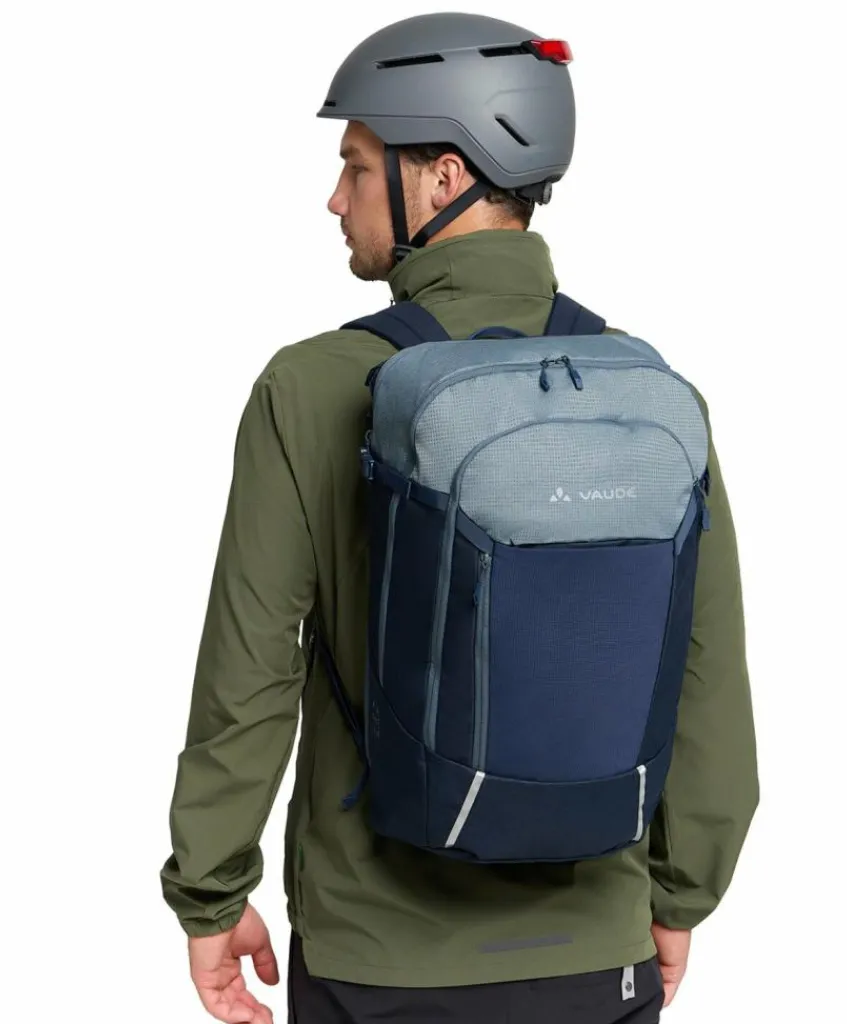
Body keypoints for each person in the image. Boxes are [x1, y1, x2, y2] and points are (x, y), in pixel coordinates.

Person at [160, 12, 759, 1024]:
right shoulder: (651, 398)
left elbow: (248, 678)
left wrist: (210, 893)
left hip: (378, 960)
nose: (335, 197)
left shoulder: (311, 386)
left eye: (356, 165)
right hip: (597, 956)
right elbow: (706, 679)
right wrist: (676, 896)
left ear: (443, 176)